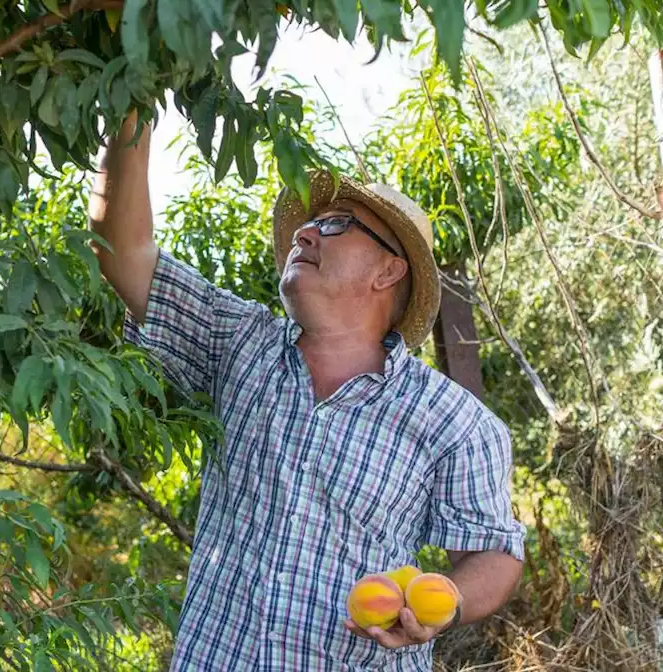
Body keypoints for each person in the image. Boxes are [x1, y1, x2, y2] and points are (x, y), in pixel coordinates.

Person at [87, 111, 526, 670]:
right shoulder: (238, 342)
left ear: (389, 272)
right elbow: (121, 252)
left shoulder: (455, 423)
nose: (305, 231)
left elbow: (495, 552)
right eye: (310, 223)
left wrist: (449, 603)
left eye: (337, 223)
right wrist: (133, 96)